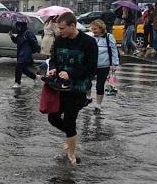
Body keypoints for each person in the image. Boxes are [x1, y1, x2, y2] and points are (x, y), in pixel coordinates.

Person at [47, 12, 98, 166]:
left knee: (70, 119)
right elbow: (54, 59)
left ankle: (71, 152)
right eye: (58, 28)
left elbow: (91, 67)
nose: (59, 31)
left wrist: (71, 73)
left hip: (78, 88)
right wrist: (53, 68)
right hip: (59, 86)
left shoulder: (88, 42)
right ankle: (71, 137)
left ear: (72, 26)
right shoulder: (59, 40)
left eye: (62, 28)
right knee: (53, 118)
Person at [89, 20, 119, 114]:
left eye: (95, 29)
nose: (93, 31)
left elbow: (114, 50)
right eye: (92, 29)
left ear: (101, 28)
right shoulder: (91, 37)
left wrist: (114, 64)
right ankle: (88, 97)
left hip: (104, 66)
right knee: (86, 82)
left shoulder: (109, 37)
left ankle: (98, 105)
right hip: (92, 65)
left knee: (99, 85)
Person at [9, 21, 40, 88]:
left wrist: (37, 49)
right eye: (17, 26)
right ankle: (35, 77)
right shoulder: (20, 33)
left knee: (18, 66)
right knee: (22, 69)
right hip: (21, 53)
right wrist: (11, 36)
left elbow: (33, 42)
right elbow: (16, 41)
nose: (18, 27)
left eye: (19, 26)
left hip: (26, 54)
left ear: (22, 26)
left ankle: (17, 83)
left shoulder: (28, 33)